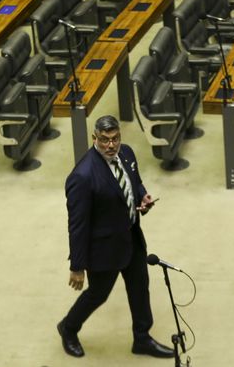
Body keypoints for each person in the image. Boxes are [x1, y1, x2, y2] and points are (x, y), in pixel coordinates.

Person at [57, 115, 173, 359]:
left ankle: (142, 338)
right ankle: (68, 328)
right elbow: (77, 225)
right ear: (94, 139)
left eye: (115, 139)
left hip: (131, 236)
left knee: (140, 288)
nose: (111, 145)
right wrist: (77, 266)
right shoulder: (83, 176)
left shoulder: (127, 153)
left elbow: (134, 183)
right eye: (104, 140)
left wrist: (142, 197)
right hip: (104, 248)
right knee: (98, 294)